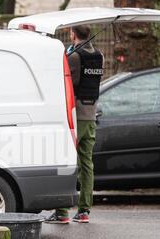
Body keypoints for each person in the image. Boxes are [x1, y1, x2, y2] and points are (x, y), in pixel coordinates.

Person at [46, 25, 104, 224]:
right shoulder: (99, 55)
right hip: (91, 114)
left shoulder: (74, 57)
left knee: (67, 161)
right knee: (87, 164)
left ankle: (62, 211)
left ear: (73, 34)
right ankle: (84, 210)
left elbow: (67, 84)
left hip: (75, 116)